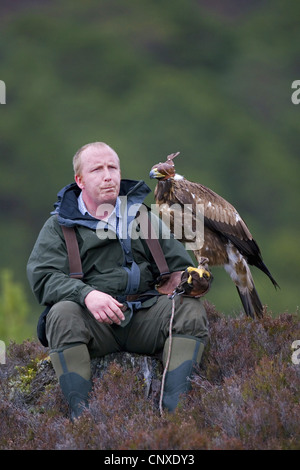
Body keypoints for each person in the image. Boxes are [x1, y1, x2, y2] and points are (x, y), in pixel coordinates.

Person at [27, 142, 209, 420]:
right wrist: (86, 295)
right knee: (61, 314)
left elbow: (178, 269)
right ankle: (84, 422)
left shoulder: (144, 217)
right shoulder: (58, 226)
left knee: (189, 310)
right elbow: (43, 278)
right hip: (94, 325)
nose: (108, 175)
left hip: (145, 317)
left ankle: (176, 418)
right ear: (80, 180)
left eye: (112, 167)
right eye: (97, 169)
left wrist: (191, 280)